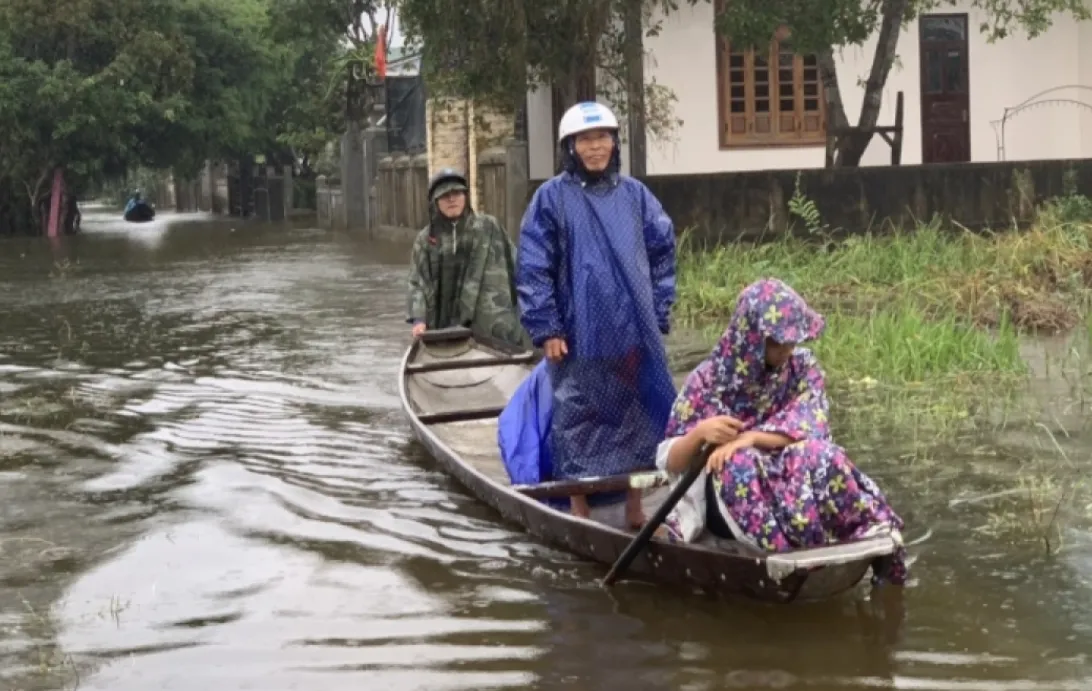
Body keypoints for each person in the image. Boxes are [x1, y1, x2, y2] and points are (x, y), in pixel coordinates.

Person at [654, 277, 908, 585]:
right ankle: (780, 553)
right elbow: (671, 462)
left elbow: (812, 421)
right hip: (732, 494)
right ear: (751, 338)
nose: (786, 351)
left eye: (791, 342)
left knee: (822, 454)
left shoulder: (801, 368)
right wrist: (701, 434)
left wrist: (752, 437)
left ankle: (863, 529)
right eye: (777, 343)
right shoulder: (708, 381)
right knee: (739, 463)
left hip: (790, 482)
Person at [516, 101, 677, 528]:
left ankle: (635, 509)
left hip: (632, 328)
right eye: (585, 140)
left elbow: (663, 251)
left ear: (614, 142)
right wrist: (546, 324)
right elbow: (534, 264)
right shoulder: (551, 198)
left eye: (602, 138)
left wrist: (659, 309)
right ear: (570, 147)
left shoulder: (634, 195)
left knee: (637, 414)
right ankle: (581, 508)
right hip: (576, 330)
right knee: (577, 416)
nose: (595, 148)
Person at [406, 168, 529, 348]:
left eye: (456, 193)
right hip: (444, 327)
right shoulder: (426, 240)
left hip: (493, 327)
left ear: (465, 196)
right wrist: (419, 319)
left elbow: (517, 265)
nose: (452, 199)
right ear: (435, 202)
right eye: (445, 195)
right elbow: (417, 282)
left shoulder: (489, 227)